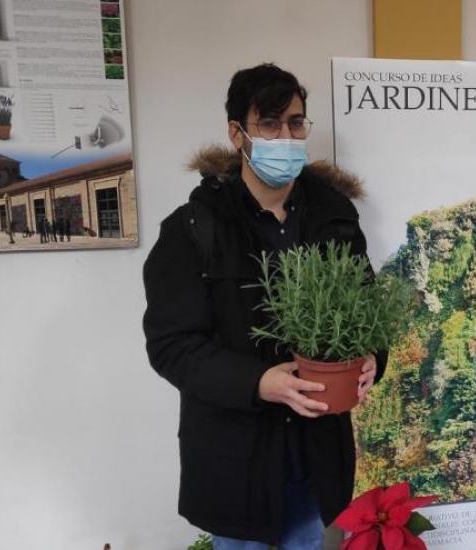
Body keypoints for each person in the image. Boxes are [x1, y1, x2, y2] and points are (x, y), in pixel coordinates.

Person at [143, 63, 386, 550]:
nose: (286, 136)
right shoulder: (191, 229)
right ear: (237, 134)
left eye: (295, 123)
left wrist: (373, 359)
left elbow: (367, 312)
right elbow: (172, 346)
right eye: (269, 124)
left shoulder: (334, 215)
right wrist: (259, 382)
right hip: (238, 462)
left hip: (316, 458)